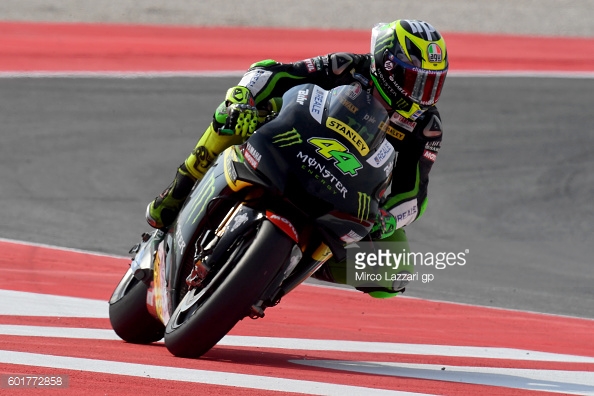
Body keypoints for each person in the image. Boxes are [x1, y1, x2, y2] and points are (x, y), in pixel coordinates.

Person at [146, 19, 448, 298]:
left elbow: (414, 195)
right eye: (414, 80)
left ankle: (296, 262)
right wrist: (242, 98)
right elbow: (273, 72)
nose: (422, 93)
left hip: (345, 188)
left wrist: (391, 218)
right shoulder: (347, 66)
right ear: (387, 65)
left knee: (396, 272)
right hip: (289, 143)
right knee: (232, 118)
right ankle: (177, 191)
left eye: (432, 83)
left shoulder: (426, 127)